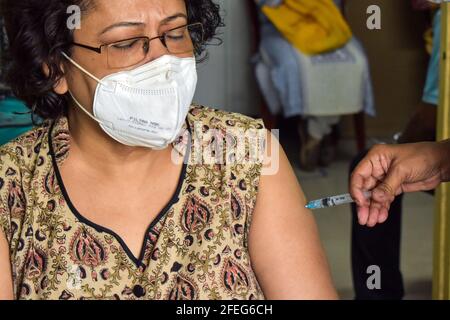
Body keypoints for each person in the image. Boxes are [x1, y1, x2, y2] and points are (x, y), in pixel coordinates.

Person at [0, 0, 337, 300]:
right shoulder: (10, 185)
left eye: (175, 34)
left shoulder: (245, 150)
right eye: (126, 42)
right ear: (55, 66)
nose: (164, 62)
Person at [349, 5, 441, 299]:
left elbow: (431, 113)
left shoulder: (446, 20)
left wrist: (403, 144)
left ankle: (379, 294)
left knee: (372, 173)